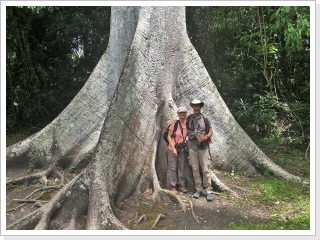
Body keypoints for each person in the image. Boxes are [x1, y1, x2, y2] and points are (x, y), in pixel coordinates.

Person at [187, 99, 214, 201]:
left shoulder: (205, 118)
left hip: (203, 147)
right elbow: (182, 125)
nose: (196, 108)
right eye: (194, 106)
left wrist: (206, 137)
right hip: (192, 146)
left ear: (200, 107)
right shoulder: (189, 118)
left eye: (197, 106)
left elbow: (211, 131)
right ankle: (198, 189)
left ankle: (208, 190)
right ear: (192, 107)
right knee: (195, 168)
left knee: (205, 169)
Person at [167, 107, 188, 194]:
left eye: (184, 113)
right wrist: (173, 148)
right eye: (180, 113)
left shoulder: (188, 124)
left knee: (181, 167)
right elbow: (169, 136)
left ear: (186, 114)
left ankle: (181, 185)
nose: (182, 114)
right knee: (172, 167)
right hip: (172, 148)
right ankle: (172, 185)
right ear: (178, 114)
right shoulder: (174, 124)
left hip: (181, 149)